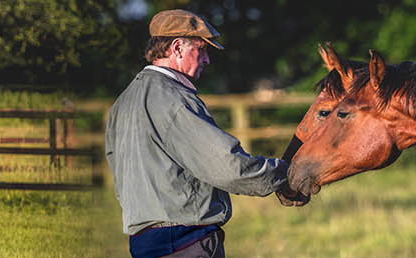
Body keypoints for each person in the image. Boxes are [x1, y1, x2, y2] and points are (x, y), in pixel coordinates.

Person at [105, 9, 294, 258]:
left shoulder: (123, 102)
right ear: (177, 48)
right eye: (201, 49)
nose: (206, 60)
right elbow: (227, 166)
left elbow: (118, 174)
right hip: (185, 242)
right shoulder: (174, 99)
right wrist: (284, 173)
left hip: (143, 243)